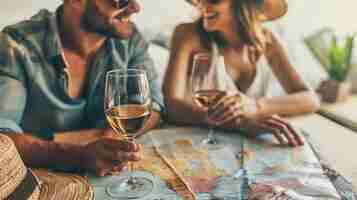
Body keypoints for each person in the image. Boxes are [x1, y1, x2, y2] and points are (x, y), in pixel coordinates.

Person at [0, 0, 164, 176]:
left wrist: (110, 139)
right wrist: (77, 156)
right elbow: (2, 137)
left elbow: (153, 105)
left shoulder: (129, 38)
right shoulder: (15, 44)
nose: (135, 8)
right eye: (120, 1)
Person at [163, 0, 320, 147]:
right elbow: (171, 105)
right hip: (201, 144)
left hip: (250, 148)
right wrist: (238, 122)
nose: (203, 4)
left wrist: (256, 106)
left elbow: (310, 99)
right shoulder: (187, 34)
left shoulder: (267, 41)